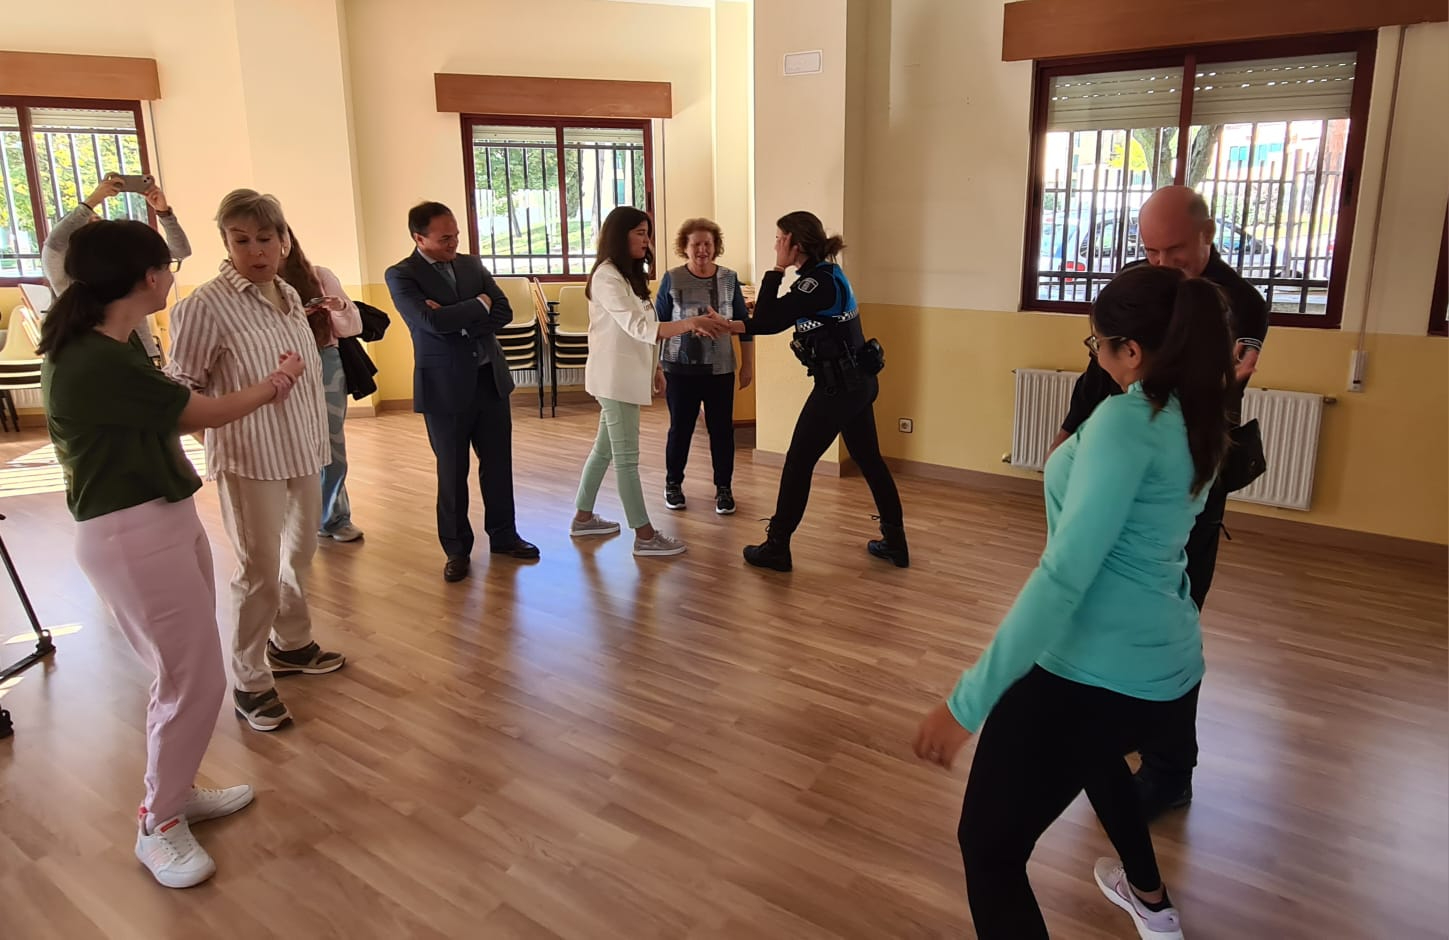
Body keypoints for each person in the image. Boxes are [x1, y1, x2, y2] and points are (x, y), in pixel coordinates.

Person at [912, 264, 1233, 939]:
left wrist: (964, 703)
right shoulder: (1193, 414)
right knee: (1094, 754)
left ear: (1131, 352)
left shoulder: (1129, 421)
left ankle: (1148, 899)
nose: (1094, 357)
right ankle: (1148, 898)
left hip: (1092, 669)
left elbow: (1064, 577)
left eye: (1097, 346)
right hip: (1165, 667)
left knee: (988, 848)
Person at [39, 220, 307, 888]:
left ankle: (174, 791)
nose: (174, 276)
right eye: (168, 266)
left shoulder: (113, 339)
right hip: (129, 534)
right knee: (191, 681)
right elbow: (201, 413)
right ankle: (157, 826)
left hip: (161, 514)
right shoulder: (93, 358)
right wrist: (277, 383)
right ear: (148, 277)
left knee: (186, 675)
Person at [1048, 185, 1269, 819]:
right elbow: (1106, 364)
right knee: (1105, 601)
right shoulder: (1142, 283)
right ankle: (1122, 726)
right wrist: (1071, 429)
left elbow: (1215, 387)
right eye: (1150, 249)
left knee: (1173, 616)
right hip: (1119, 462)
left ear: (1207, 235)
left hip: (1185, 479)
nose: (1162, 262)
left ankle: (1172, 769)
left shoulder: (1241, 303)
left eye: (1174, 249)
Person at [167, 189, 345, 734]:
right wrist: (214, 442)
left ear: (284, 240)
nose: (255, 250)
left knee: (300, 553)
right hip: (249, 458)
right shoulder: (205, 306)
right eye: (240, 240)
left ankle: (291, 643)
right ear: (226, 243)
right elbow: (181, 389)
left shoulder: (291, 295)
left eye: (265, 238)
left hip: (302, 452)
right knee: (256, 569)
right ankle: (249, 679)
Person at [712, 211, 907, 572]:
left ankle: (777, 547)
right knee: (869, 460)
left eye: (778, 238)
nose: (775, 244)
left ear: (794, 244)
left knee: (798, 462)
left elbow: (770, 318)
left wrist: (776, 269)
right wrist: (728, 326)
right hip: (857, 383)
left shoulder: (814, 284)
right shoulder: (824, 277)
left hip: (840, 389)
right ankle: (895, 542)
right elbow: (776, 320)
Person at [385, 201, 539, 583]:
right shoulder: (401, 275)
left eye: (456, 234)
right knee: (452, 473)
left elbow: (503, 311)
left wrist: (465, 318)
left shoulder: (471, 264)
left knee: (498, 465)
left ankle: (504, 536)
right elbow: (429, 322)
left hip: (490, 381)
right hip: (445, 387)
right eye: (444, 238)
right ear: (419, 238)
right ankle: (456, 549)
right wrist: (476, 307)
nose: (454, 242)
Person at [570, 206, 729, 556]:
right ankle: (644, 537)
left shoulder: (628, 276)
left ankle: (582, 518)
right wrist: (691, 323)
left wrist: (656, 368)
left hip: (625, 376)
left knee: (604, 450)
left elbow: (645, 326)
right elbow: (640, 328)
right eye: (640, 233)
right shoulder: (606, 276)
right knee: (626, 458)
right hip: (614, 380)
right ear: (620, 235)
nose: (647, 240)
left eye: (648, 233)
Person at [655, 217, 754, 515]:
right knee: (680, 430)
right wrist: (655, 368)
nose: (702, 250)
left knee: (722, 431)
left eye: (707, 244)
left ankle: (724, 489)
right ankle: (673, 484)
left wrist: (747, 366)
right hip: (678, 369)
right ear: (684, 247)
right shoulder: (671, 277)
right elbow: (657, 326)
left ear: (716, 247)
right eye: (695, 244)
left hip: (720, 369)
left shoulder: (728, 278)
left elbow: (744, 326)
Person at [42, 172, 192, 360]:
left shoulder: (123, 261)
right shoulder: (66, 276)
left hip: (143, 353)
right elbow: (54, 245)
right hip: (101, 360)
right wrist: (93, 200)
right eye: (91, 224)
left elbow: (179, 252)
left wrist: (164, 213)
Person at [279, 227, 364, 542]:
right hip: (276, 366)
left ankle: (333, 517)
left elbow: (351, 327)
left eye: (274, 238)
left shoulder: (318, 275)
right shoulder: (251, 287)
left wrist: (338, 307)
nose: (266, 248)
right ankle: (299, 519)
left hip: (325, 361)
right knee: (289, 447)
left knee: (331, 447)